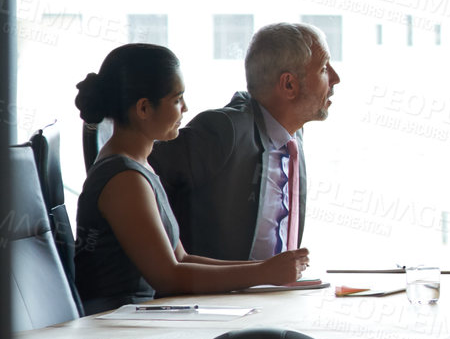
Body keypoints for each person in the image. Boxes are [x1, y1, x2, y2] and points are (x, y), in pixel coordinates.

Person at [73, 44, 311, 314]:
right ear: (143, 108)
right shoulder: (124, 179)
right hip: (114, 326)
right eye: (177, 99)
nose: (185, 108)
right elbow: (170, 278)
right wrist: (261, 274)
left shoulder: (140, 166)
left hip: (139, 318)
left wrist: (266, 271)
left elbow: (182, 259)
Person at [150, 22, 340, 261]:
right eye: (324, 69)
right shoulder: (223, 130)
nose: (336, 78)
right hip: (218, 295)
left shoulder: (294, 134)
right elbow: (139, 174)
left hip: (273, 293)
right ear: (289, 84)